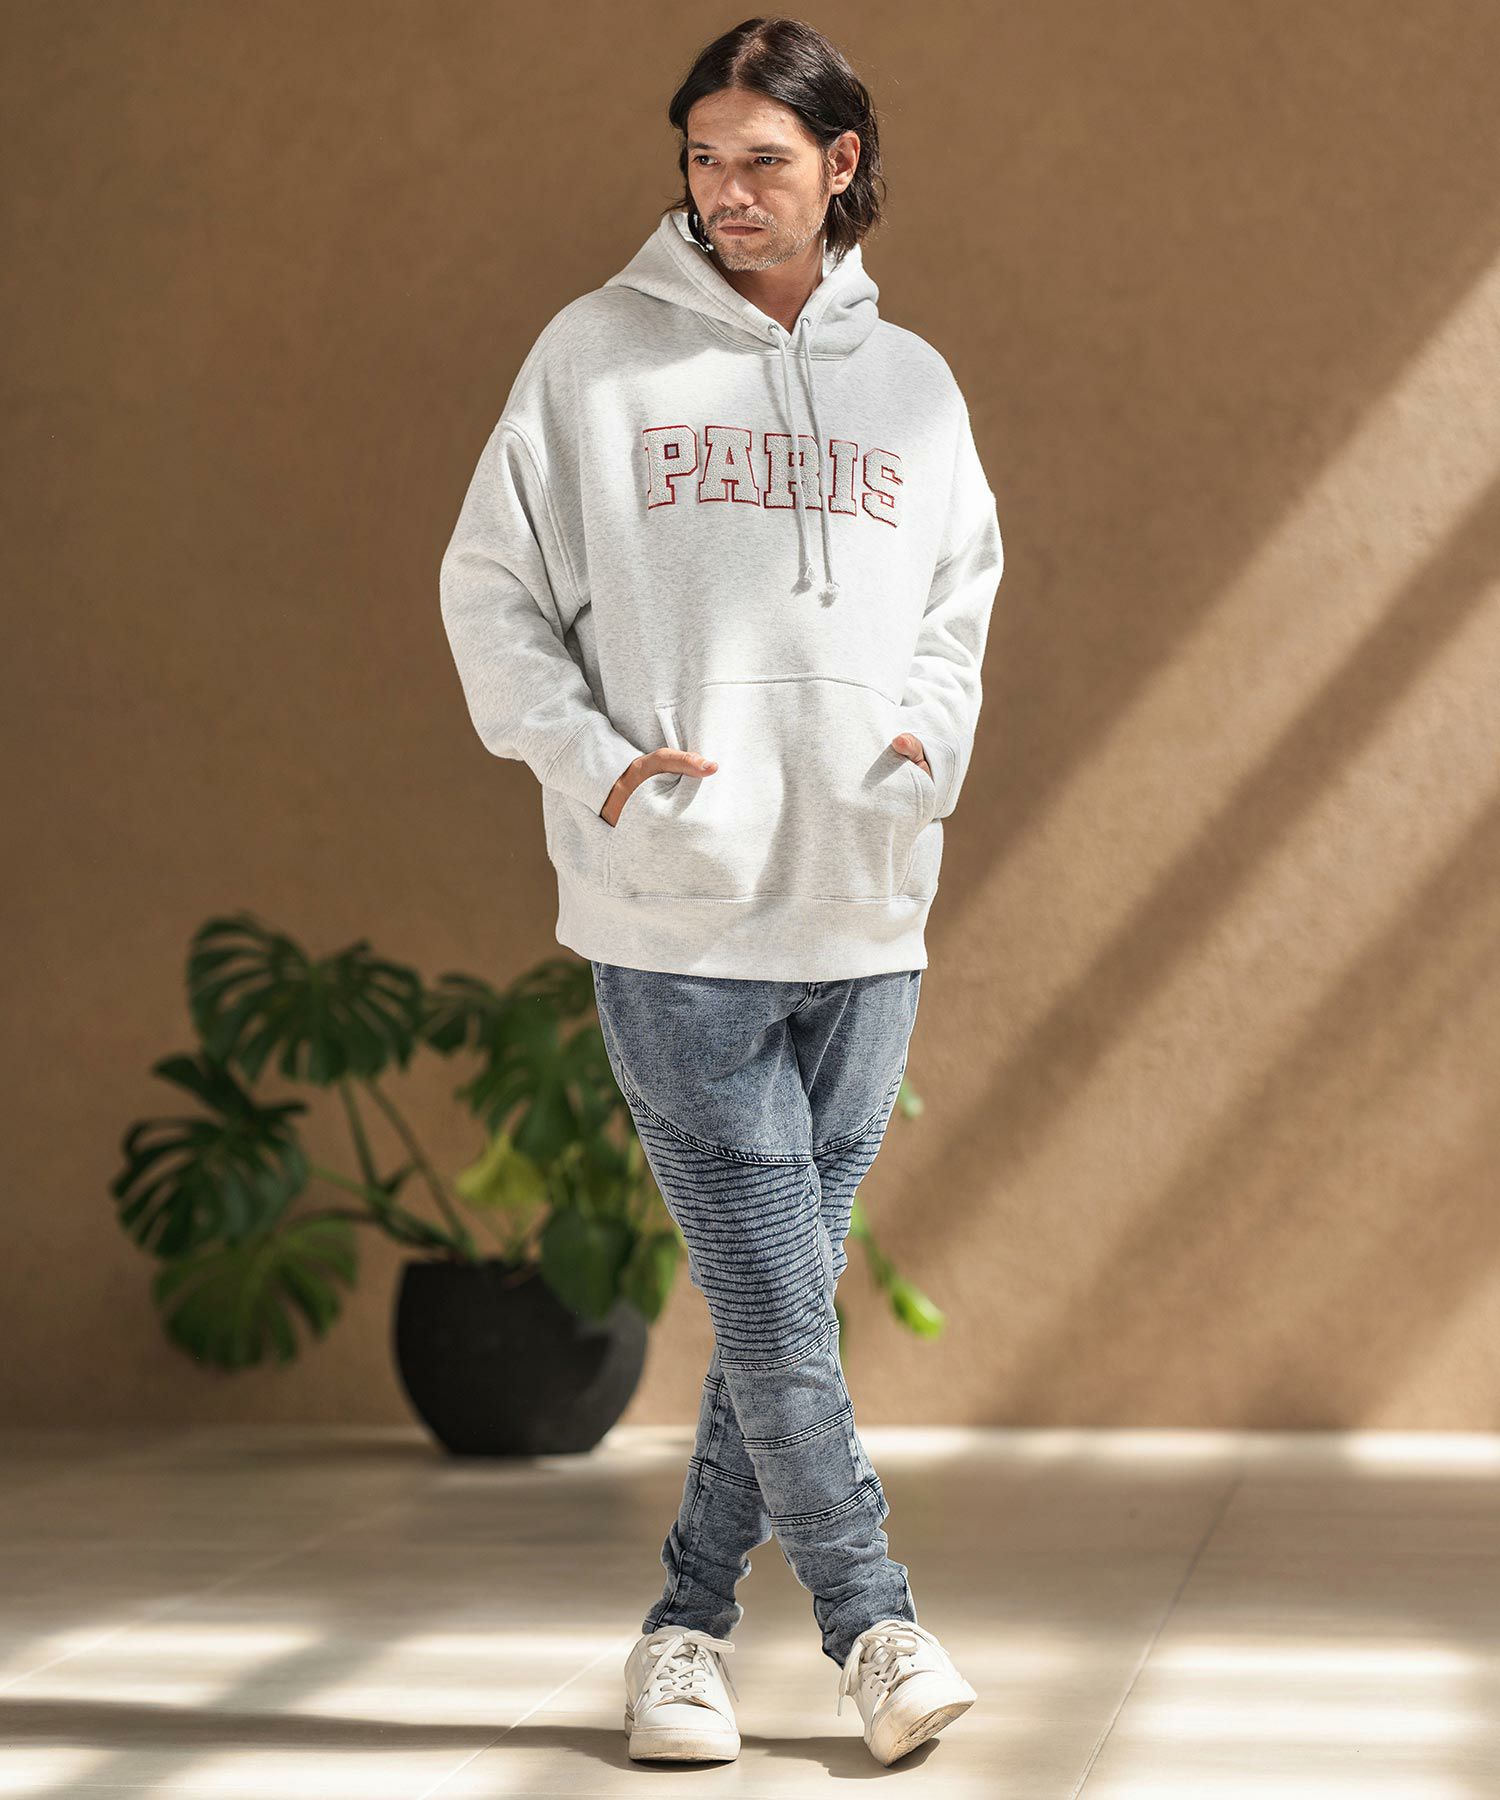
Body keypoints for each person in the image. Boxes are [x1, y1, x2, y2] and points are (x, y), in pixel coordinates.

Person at [439, 16, 1002, 1770]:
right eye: (703, 157)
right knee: (774, 1304)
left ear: (842, 164)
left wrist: (919, 751)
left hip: (867, 906)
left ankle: (682, 1634)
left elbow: (958, 607)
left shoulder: (912, 385)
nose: (726, 190)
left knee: (777, 1309)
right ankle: (875, 1626)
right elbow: (488, 590)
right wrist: (598, 765)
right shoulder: (592, 356)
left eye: (764, 159)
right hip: (675, 908)